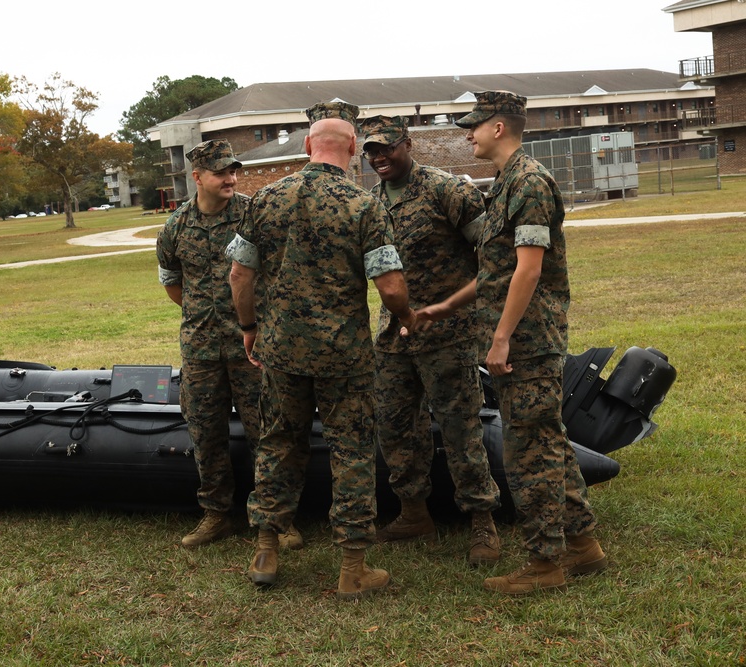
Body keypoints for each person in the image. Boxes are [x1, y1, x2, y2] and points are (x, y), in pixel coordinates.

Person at [227, 101, 416, 599]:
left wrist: (250, 327)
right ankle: (353, 568)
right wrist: (407, 319)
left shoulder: (263, 199)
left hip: (281, 351)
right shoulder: (364, 205)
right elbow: (392, 287)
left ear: (308, 146)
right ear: (352, 150)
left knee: (277, 444)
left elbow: (238, 274)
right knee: (351, 451)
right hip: (344, 356)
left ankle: (266, 547)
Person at [420, 91, 607, 595]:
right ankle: (582, 545)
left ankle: (545, 565)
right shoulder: (505, 184)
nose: (468, 134)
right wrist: (446, 306)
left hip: (526, 342)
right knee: (546, 441)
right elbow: (497, 268)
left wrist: (500, 339)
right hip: (515, 338)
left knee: (528, 452)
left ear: (498, 127)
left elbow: (529, 267)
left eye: (474, 126)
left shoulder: (528, 183)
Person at [360, 115, 501, 566]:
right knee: (397, 428)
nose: (379, 157)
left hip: (448, 334)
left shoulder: (447, 190)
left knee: (461, 428)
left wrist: (456, 306)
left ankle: (482, 520)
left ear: (407, 144)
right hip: (393, 336)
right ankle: (414, 512)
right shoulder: (371, 203)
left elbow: (493, 255)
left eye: (386, 148)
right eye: (370, 152)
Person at [157, 139, 302, 550]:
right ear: (197, 177)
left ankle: (277, 520)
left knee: (267, 434)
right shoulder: (176, 226)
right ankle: (217, 514)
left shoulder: (253, 214)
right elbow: (171, 281)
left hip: (253, 348)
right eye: (221, 172)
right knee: (206, 433)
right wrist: (203, 315)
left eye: (233, 170)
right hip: (201, 350)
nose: (230, 178)